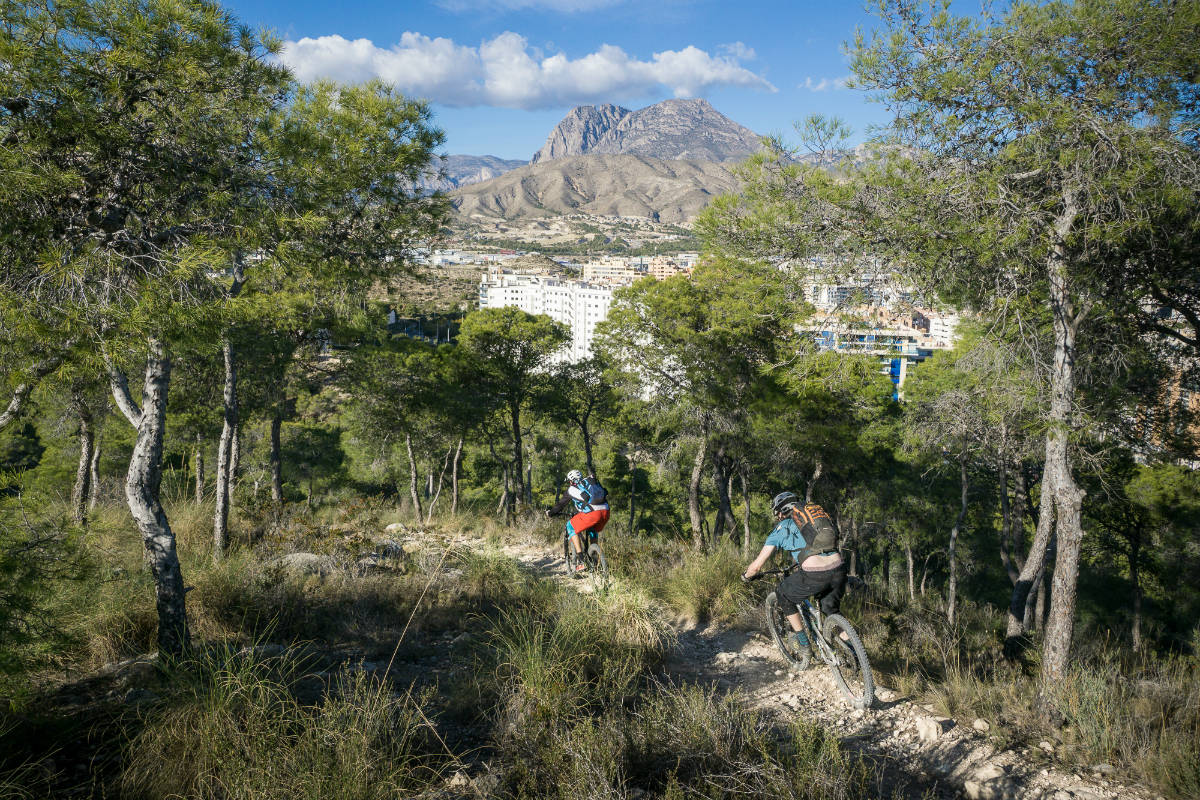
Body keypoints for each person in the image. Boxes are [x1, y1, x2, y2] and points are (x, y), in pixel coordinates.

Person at [742, 491, 846, 648]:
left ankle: (804, 646)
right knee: (830, 610)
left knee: (783, 594)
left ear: (781, 512)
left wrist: (746, 576)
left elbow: (756, 566)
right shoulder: (810, 523)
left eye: (777, 514)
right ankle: (854, 651)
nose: (778, 518)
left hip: (815, 573)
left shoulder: (780, 529)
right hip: (839, 569)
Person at [546, 468, 610, 572]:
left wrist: (550, 513)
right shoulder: (590, 482)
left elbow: (560, 505)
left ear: (570, 481)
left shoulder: (571, 489)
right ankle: (595, 559)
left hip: (593, 514)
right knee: (593, 528)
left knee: (570, 525)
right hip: (606, 512)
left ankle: (581, 560)